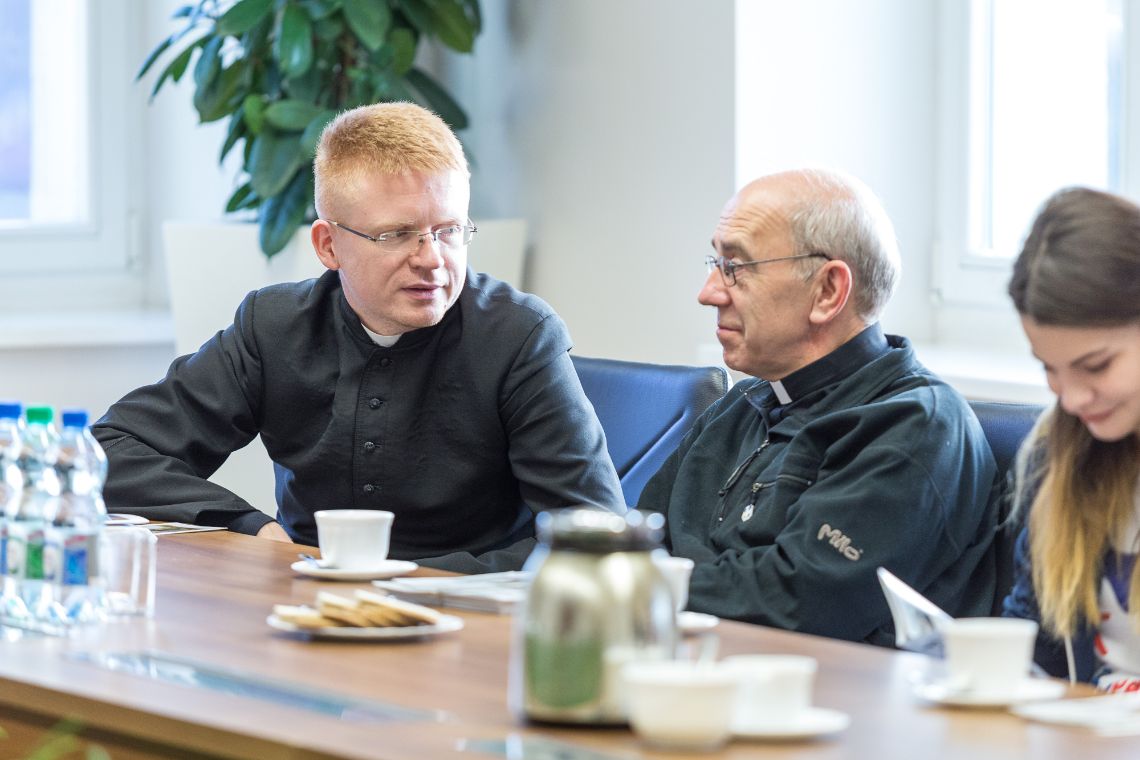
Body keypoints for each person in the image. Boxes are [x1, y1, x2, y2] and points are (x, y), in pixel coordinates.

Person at [93, 102, 624, 573]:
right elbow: (111, 451)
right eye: (397, 234)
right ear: (328, 246)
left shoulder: (519, 335)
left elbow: (595, 534)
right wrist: (249, 526)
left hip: (468, 611)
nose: (432, 259)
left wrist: (411, 583)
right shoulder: (274, 326)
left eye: (449, 231)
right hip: (307, 605)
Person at [637, 168, 999, 645]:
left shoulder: (915, 425)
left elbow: (795, 601)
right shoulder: (742, 404)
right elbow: (637, 545)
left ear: (828, 291)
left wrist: (639, 589)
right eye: (715, 262)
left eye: (735, 267)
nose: (709, 292)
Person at [1002, 187, 1140, 690]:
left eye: (1096, 366)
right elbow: (1033, 636)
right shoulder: (1061, 451)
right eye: (1050, 369)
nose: (1073, 399)